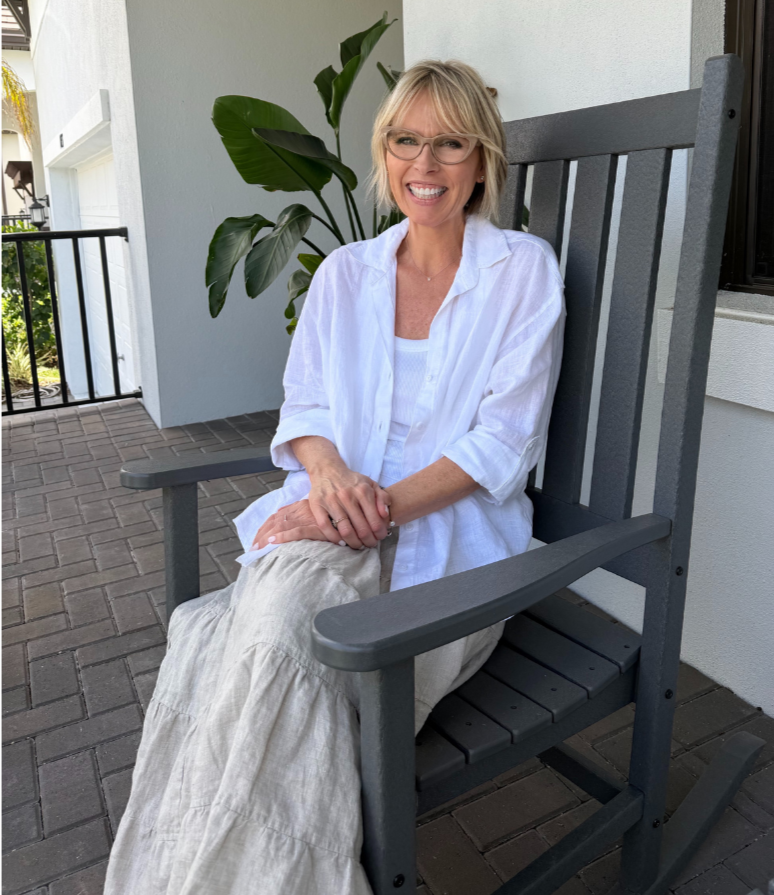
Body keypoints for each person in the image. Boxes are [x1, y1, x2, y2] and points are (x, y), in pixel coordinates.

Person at [104, 60, 565, 895]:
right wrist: (328, 481)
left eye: (450, 144)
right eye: (405, 141)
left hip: (449, 542)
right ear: (383, 153)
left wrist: (362, 510)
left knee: (264, 637)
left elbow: (503, 442)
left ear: (481, 159)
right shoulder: (345, 273)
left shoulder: (522, 271)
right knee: (236, 639)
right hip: (330, 514)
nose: (424, 164)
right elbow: (306, 408)